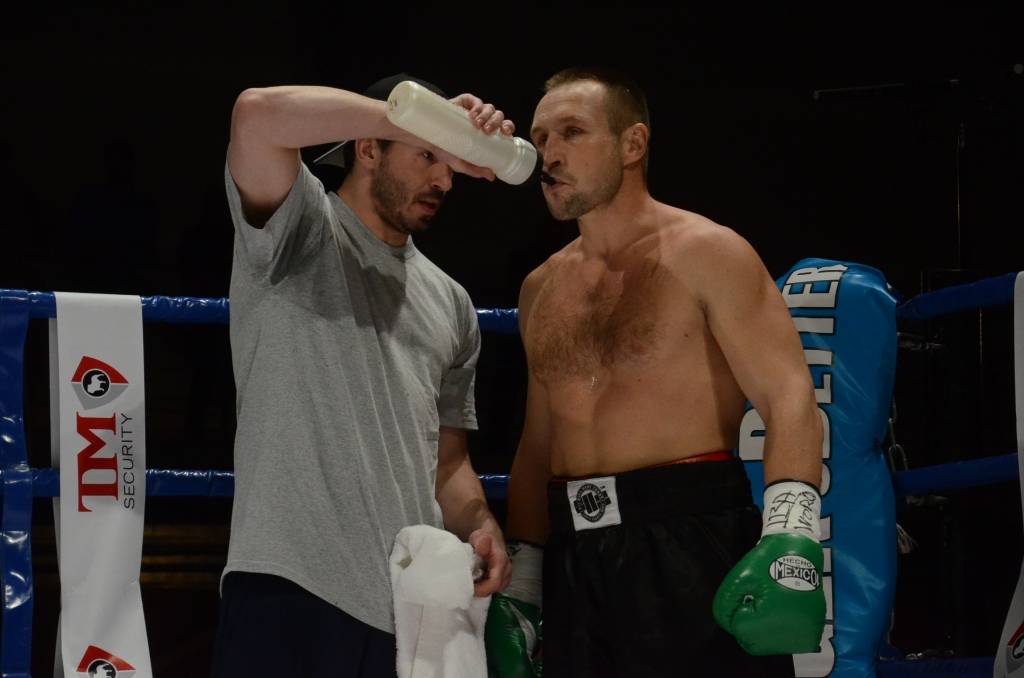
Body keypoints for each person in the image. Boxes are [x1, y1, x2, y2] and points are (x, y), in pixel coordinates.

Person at [485, 67, 826, 677]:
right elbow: (538, 445)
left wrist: (790, 538)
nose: (549, 154)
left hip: (689, 541)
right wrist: (526, 582)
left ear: (632, 144)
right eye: (539, 138)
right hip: (574, 558)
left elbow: (788, 395)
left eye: (571, 132)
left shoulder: (708, 252)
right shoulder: (541, 287)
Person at [214, 73, 513, 678]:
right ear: (369, 147)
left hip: (408, 610)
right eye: (428, 155)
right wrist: (412, 114)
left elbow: (448, 462)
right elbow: (256, 115)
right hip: (289, 585)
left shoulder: (452, 303)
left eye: (451, 163)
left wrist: (481, 525)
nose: (444, 178)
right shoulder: (299, 227)